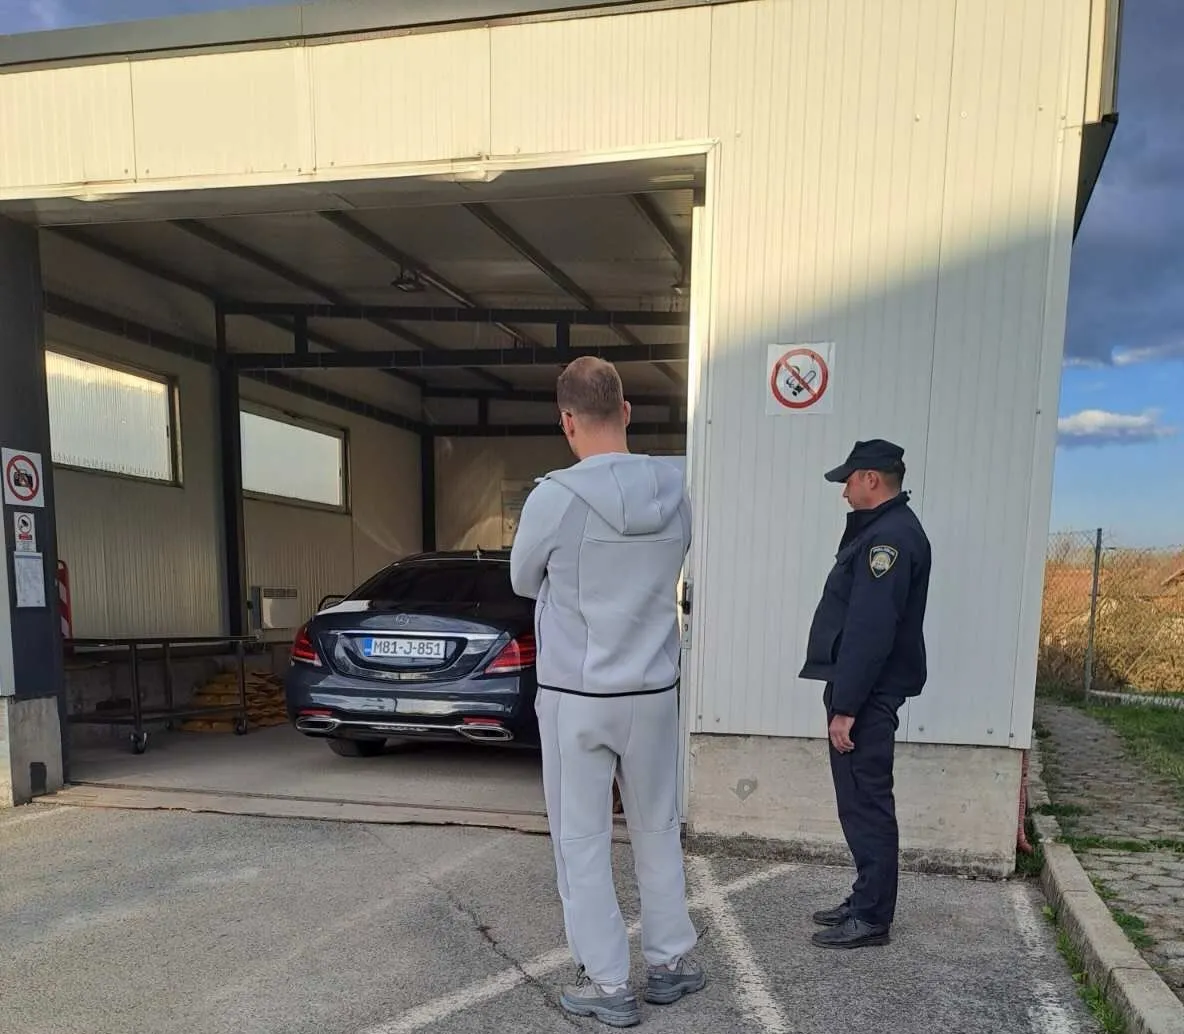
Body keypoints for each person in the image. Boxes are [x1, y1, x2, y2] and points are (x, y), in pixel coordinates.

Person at [510, 356, 703, 1028]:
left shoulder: (554, 498)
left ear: (567, 421)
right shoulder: (676, 491)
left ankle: (608, 981)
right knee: (657, 828)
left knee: (583, 838)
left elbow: (522, 580)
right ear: (625, 411)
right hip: (652, 690)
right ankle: (672, 962)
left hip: (579, 693)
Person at [799, 438, 932, 950]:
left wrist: (847, 707)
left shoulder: (889, 540)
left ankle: (873, 916)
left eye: (849, 481)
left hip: (867, 695)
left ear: (871, 478)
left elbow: (871, 629)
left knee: (867, 803)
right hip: (861, 689)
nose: (844, 492)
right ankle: (864, 898)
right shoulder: (883, 530)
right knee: (856, 803)